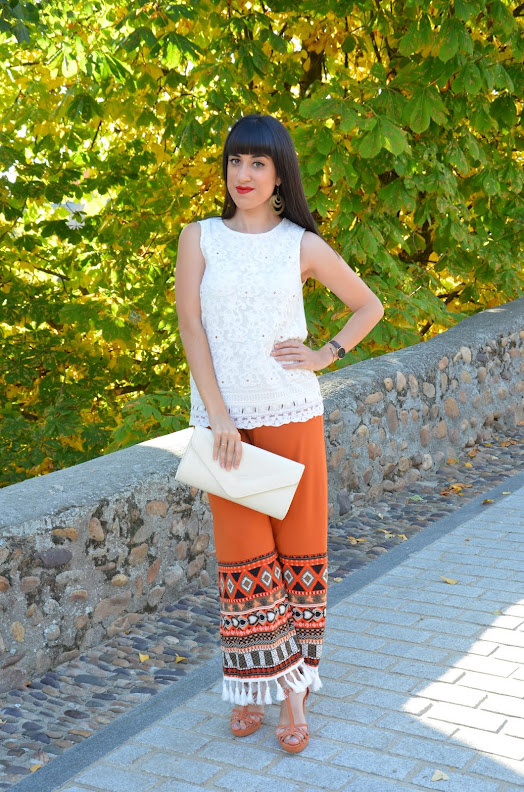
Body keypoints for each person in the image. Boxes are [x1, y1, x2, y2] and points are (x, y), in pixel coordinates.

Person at [175, 114, 384, 753]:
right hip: (226, 428)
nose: (243, 175)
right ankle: (249, 681)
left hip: (293, 415)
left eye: (257, 163)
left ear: (278, 173)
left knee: (297, 558)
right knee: (244, 561)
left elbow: (368, 305)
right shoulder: (199, 238)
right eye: (235, 161)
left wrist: (325, 354)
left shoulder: (301, 244)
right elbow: (191, 328)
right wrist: (220, 415)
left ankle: (292, 694)